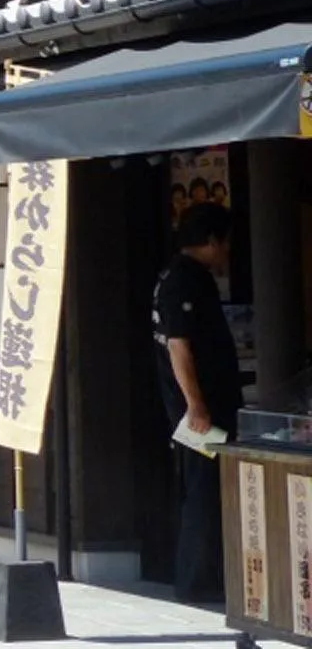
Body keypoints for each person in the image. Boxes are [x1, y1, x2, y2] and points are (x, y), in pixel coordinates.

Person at [152, 200, 240, 605]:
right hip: (200, 412)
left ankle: (204, 577)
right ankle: (197, 582)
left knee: (205, 488)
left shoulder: (177, 275)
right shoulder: (186, 279)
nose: (227, 251)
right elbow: (179, 346)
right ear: (211, 240)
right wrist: (196, 406)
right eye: (225, 242)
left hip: (197, 408)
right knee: (205, 491)